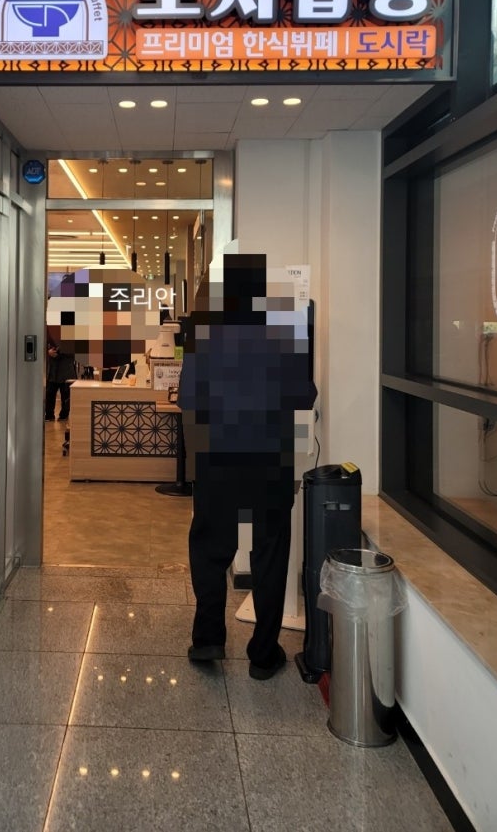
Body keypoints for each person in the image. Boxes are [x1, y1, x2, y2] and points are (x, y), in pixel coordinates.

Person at [178, 250, 316, 679]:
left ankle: (208, 638)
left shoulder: (202, 333)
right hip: (270, 459)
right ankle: (263, 654)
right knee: (269, 554)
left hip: (216, 457)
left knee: (210, 548)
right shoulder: (285, 328)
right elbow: (304, 394)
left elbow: (188, 398)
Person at [45, 336, 77, 421]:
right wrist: (48, 352)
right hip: (52, 372)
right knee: (49, 395)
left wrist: (58, 351)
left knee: (66, 396)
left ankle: (64, 416)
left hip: (66, 372)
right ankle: (49, 415)